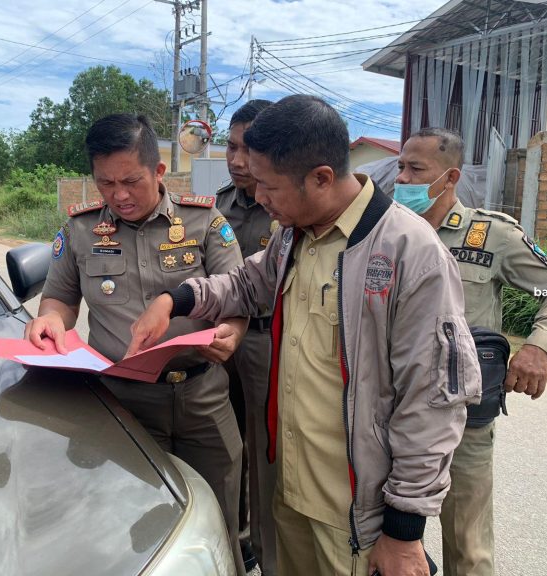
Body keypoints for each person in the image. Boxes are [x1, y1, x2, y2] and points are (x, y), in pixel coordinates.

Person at [126, 95, 482, 576]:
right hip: (291, 496)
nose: (261, 198)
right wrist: (176, 300)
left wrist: (404, 529)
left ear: (321, 177)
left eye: (269, 186)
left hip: (355, 514)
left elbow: (433, 399)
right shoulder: (294, 234)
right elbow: (246, 284)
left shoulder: (407, 251)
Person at [24, 113, 248, 575]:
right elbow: (60, 299)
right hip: (123, 403)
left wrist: (235, 332)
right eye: (105, 183)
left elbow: (237, 292)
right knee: (131, 524)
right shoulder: (81, 230)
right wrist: (49, 320)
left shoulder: (204, 220)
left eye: (131, 181)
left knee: (221, 514)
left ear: (159, 171)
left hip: (203, 395)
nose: (119, 195)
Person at [395, 127, 547, 576]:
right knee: (385, 534)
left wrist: (538, 347)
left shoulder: (490, 234)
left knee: (467, 544)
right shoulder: (390, 231)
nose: (403, 179)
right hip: (391, 404)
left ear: (450, 176)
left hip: (462, 414)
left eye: (415, 169)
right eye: (400, 167)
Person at [216, 98, 277, 576]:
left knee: (265, 446)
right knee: (224, 439)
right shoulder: (216, 206)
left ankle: (263, 539)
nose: (236, 160)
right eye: (230, 146)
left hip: (267, 341)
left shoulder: (291, 208)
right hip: (218, 340)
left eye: (247, 149)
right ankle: (232, 532)